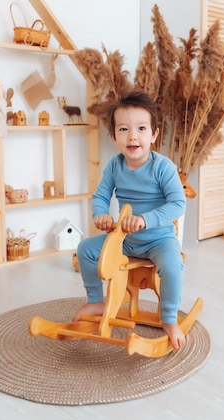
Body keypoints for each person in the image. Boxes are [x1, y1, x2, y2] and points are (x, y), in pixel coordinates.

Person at [72, 91, 187, 350]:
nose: (133, 136)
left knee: (172, 265)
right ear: (113, 137)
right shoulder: (115, 166)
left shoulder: (163, 167)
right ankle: (96, 300)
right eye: (124, 129)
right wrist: (100, 215)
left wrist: (146, 220)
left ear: (154, 135)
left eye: (141, 128)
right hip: (125, 239)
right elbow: (100, 195)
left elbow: (178, 204)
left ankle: (169, 317)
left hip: (158, 239)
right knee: (85, 250)